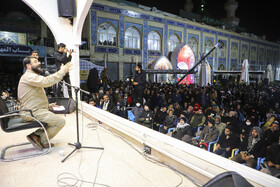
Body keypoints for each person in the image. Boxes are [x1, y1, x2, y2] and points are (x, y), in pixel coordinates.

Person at [18, 56, 72, 150]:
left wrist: (47, 105)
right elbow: (46, 81)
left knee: (53, 120)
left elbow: (33, 97)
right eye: (35, 61)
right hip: (31, 112)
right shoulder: (29, 76)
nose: (39, 63)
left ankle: (36, 136)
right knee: (60, 122)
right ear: (28, 66)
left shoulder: (31, 76)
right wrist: (62, 71)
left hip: (32, 110)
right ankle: (41, 139)